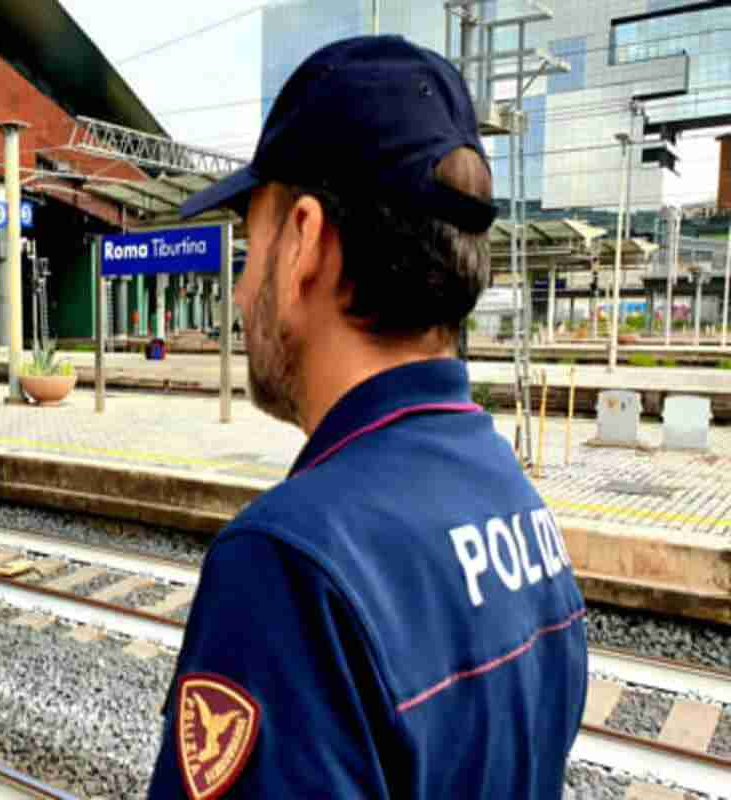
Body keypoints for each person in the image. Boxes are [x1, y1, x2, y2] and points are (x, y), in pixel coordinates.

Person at [146, 36, 587, 800]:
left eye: (249, 244)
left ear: (305, 240)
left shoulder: (290, 566)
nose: (243, 293)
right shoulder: (513, 499)